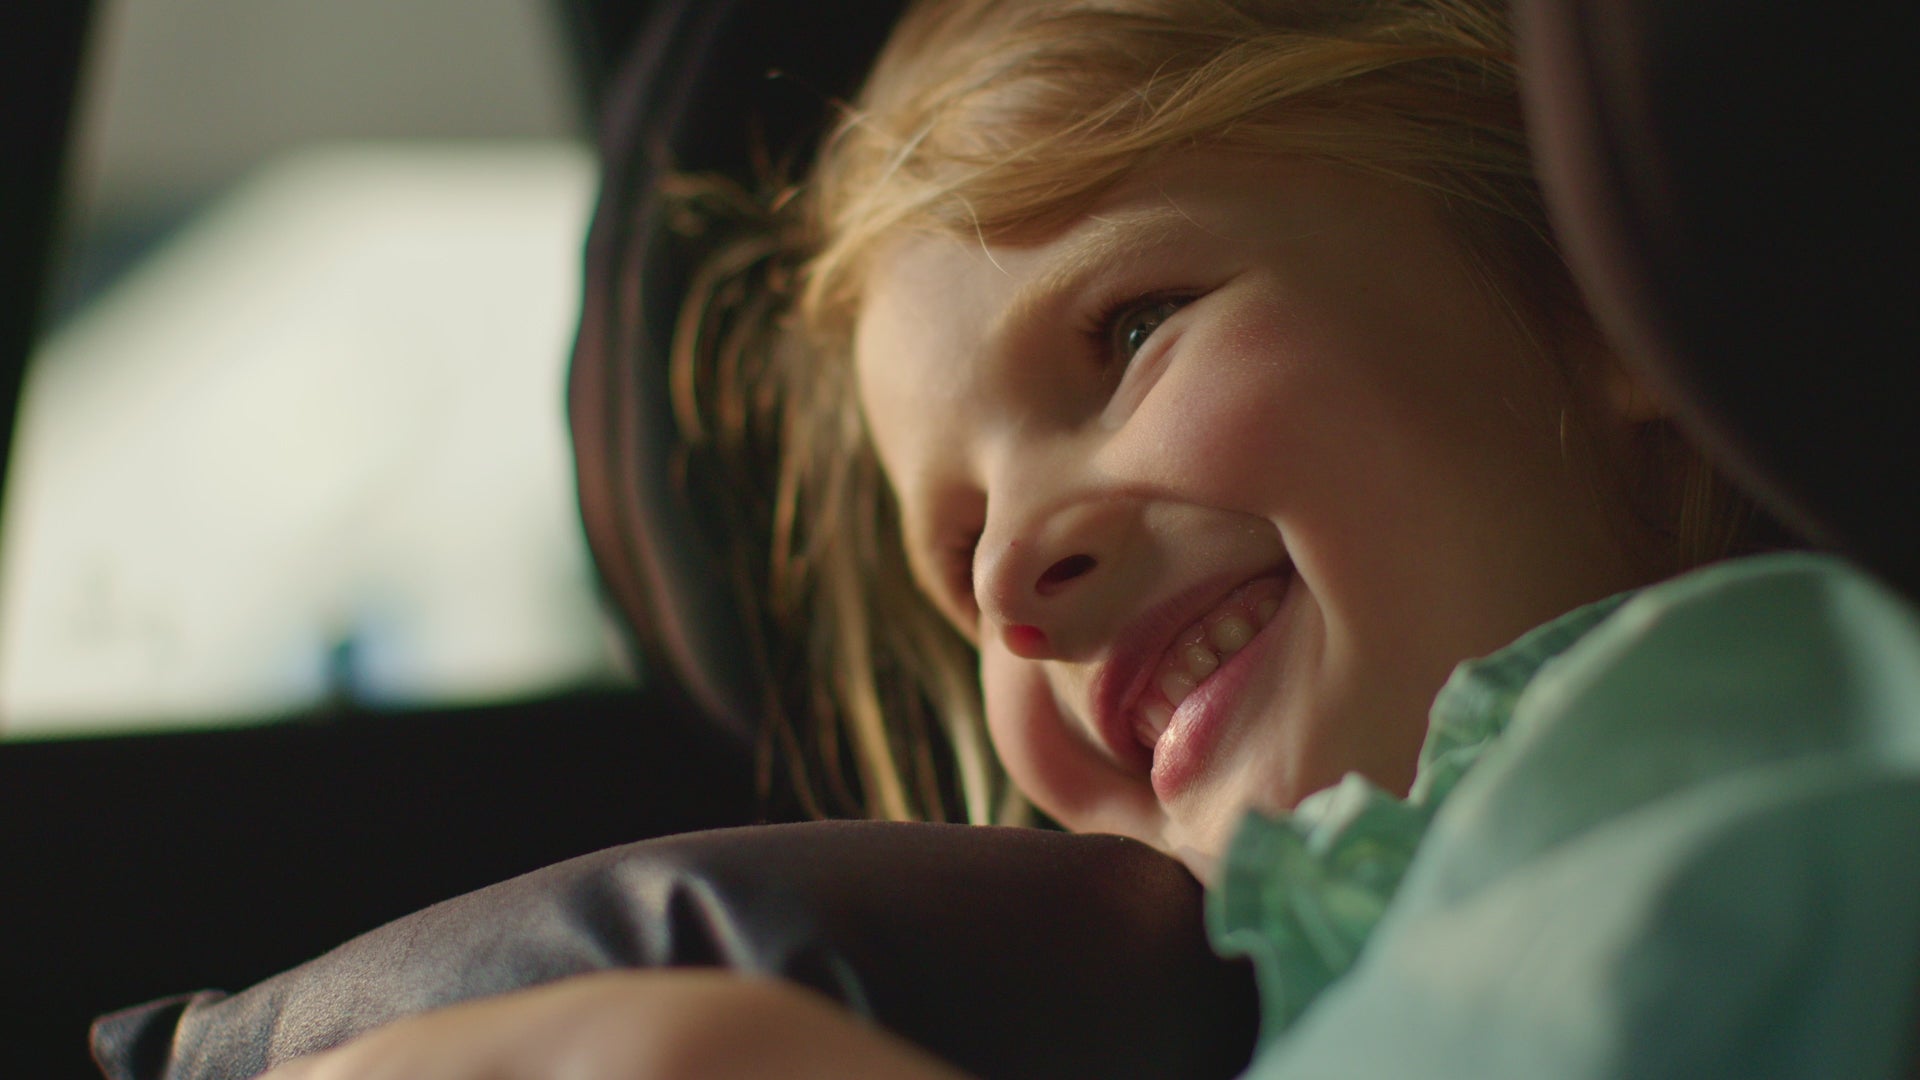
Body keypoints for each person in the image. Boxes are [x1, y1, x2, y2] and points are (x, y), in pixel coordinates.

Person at [258, 1, 1920, 1077]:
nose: (1000, 582)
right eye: (953, 542)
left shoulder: (1749, 718)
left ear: (1588, 288)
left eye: (1130, 330)